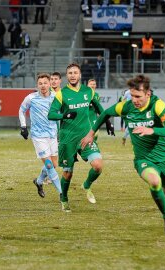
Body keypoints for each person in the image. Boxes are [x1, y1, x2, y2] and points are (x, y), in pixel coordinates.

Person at [80, 74, 165, 243]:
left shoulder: (158, 106)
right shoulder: (126, 107)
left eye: (138, 96)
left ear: (148, 94)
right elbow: (106, 113)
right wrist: (90, 134)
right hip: (143, 158)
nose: (134, 100)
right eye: (132, 96)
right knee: (154, 182)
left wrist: (153, 130)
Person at [47, 63, 114, 212]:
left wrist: (108, 122)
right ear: (67, 76)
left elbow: (99, 109)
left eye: (75, 72)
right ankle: (64, 198)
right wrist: (63, 115)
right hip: (67, 139)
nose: (72, 75)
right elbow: (51, 114)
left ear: (80, 75)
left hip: (86, 137)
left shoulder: (88, 91)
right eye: (69, 73)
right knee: (68, 173)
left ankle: (86, 185)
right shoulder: (61, 94)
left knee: (97, 166)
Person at [19, 73, 62, 199]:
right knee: (49, 165)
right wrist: (23, 126)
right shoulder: (31, 98)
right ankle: (61, 193)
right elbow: (21, 110)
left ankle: (38, 181)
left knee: (54, 164)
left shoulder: (56, 97)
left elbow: (62, 113)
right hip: (38, 136)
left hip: (52, 135)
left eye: (45, 83)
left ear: (50, 84)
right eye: (40, 83)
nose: (43, 85)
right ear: (37, 85)